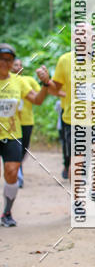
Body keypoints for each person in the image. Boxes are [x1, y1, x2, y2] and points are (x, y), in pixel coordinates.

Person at [37, 24, 95, 181]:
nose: (81, 38)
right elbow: (54, 89)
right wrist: (47, 82)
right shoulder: (65, 60)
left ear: (93, 38)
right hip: (73, 119)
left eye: (85, 34)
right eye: (78, 35)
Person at [0, 43, 49, 226]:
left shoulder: (18, 81)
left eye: (9, 59)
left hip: (12, 134)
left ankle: (7, 213)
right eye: (2, 59)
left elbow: (37, 100)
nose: (5, 63)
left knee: (12, 172)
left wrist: (45, 83)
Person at [11, 57, 40, 187]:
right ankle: (17, 172)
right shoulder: (6, 82)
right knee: (15, 149)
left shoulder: (28, 81)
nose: (18, 67)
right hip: (12, 123)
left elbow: (38, 96)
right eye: (15, 65)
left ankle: (18, 166)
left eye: (20, 65)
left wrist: (46, 83)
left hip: (27, 121)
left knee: (24, 148)